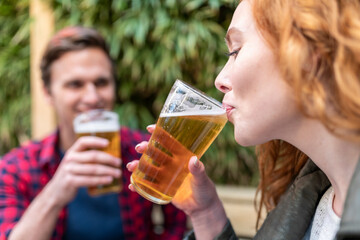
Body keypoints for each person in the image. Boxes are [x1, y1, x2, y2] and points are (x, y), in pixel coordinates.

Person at [127, 0, 360, 239]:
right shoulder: (310, 200)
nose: (220, 80)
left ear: (310, 54)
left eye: (235, 51)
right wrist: (206, 213)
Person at [0, 26, 187, 240]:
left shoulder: (144, 150)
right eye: (75, 84)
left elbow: (177, 225)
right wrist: (55, 193)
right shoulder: (15, 168)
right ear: (47, 93)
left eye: (101, 82)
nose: (92, 97)